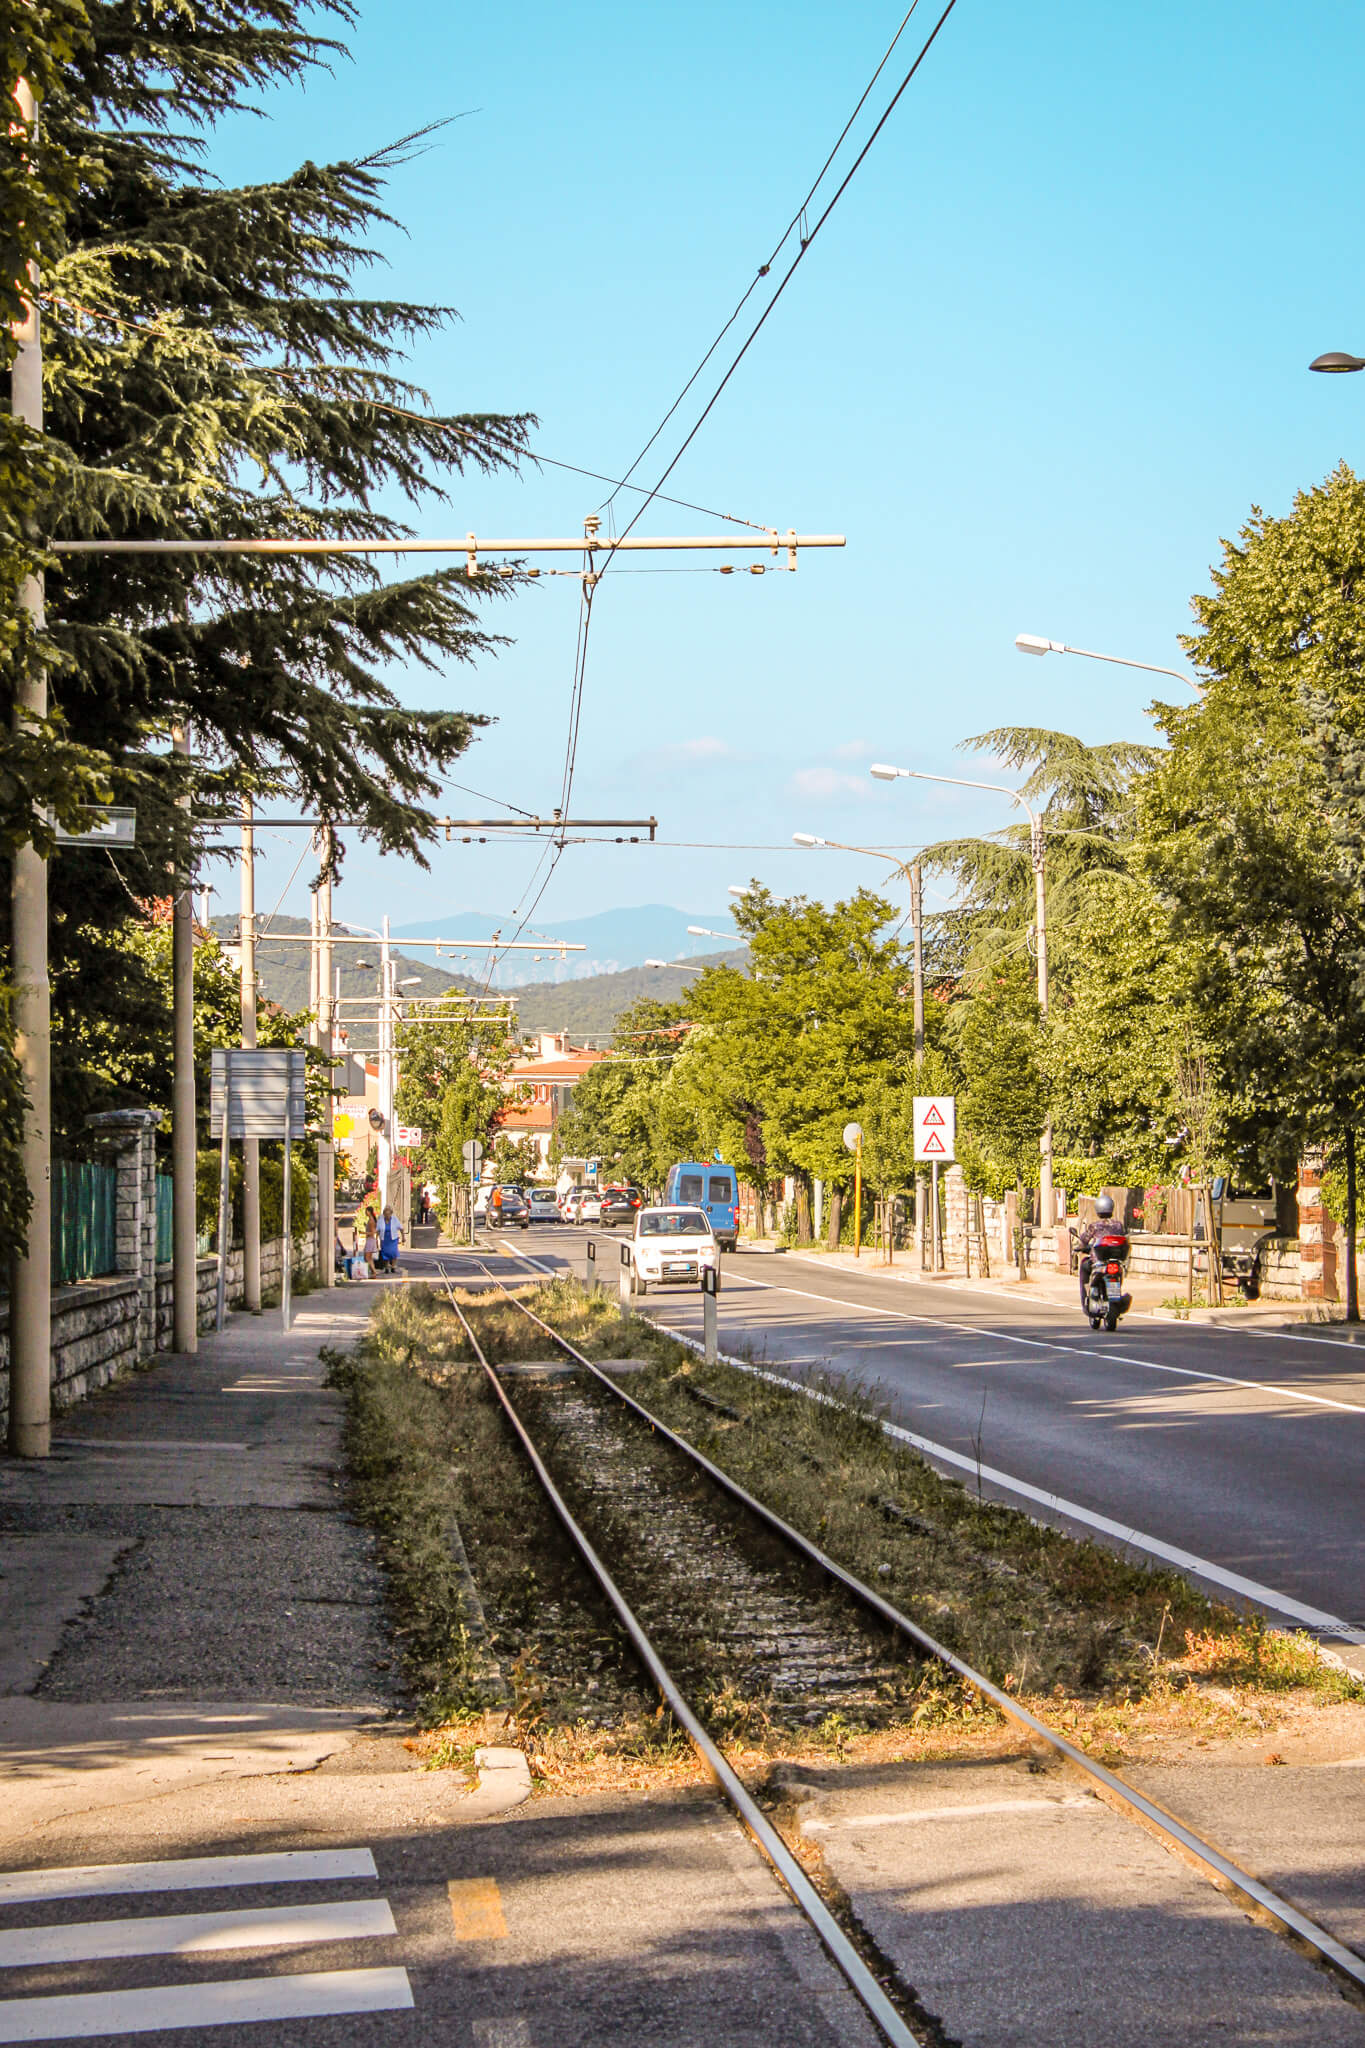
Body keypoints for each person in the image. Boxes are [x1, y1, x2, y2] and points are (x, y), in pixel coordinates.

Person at [1076, 1193, 1119, 1308]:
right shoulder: (1118, 1225)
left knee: (1084, 1266)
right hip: (1115, 1261)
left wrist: (1079, 1247)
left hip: (1098, 1261)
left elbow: (1084, 1240)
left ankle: (1086, 1295)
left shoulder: (1094, 1226)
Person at [378, 1204, 403, 1275]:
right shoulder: (380, 1219)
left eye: (388, 1214)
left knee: (394, 1253)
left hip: (393, 1239)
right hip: (384, 1239)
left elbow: (401, 1228)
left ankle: (393, 1267)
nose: (387, 1216)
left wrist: (403, 1237)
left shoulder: (395, 1219)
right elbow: (378, 1230)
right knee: (385, 1253)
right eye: (386, 1214)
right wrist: (376, 1239)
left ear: (391, 1214)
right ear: (384, 1214)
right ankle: (386, 1267)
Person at [362, 1208, 379, 1279]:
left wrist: (364, 1233)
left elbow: (373, 1232)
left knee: (367, 1257)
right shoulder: (370, 1220)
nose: (365, 1212)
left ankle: (374, 1271)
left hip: (370, 1240)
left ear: (369, 1212)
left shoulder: (371, 1221)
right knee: (369, 1258)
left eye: (366, 1211)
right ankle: (373, 1273)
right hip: (370, 1240)